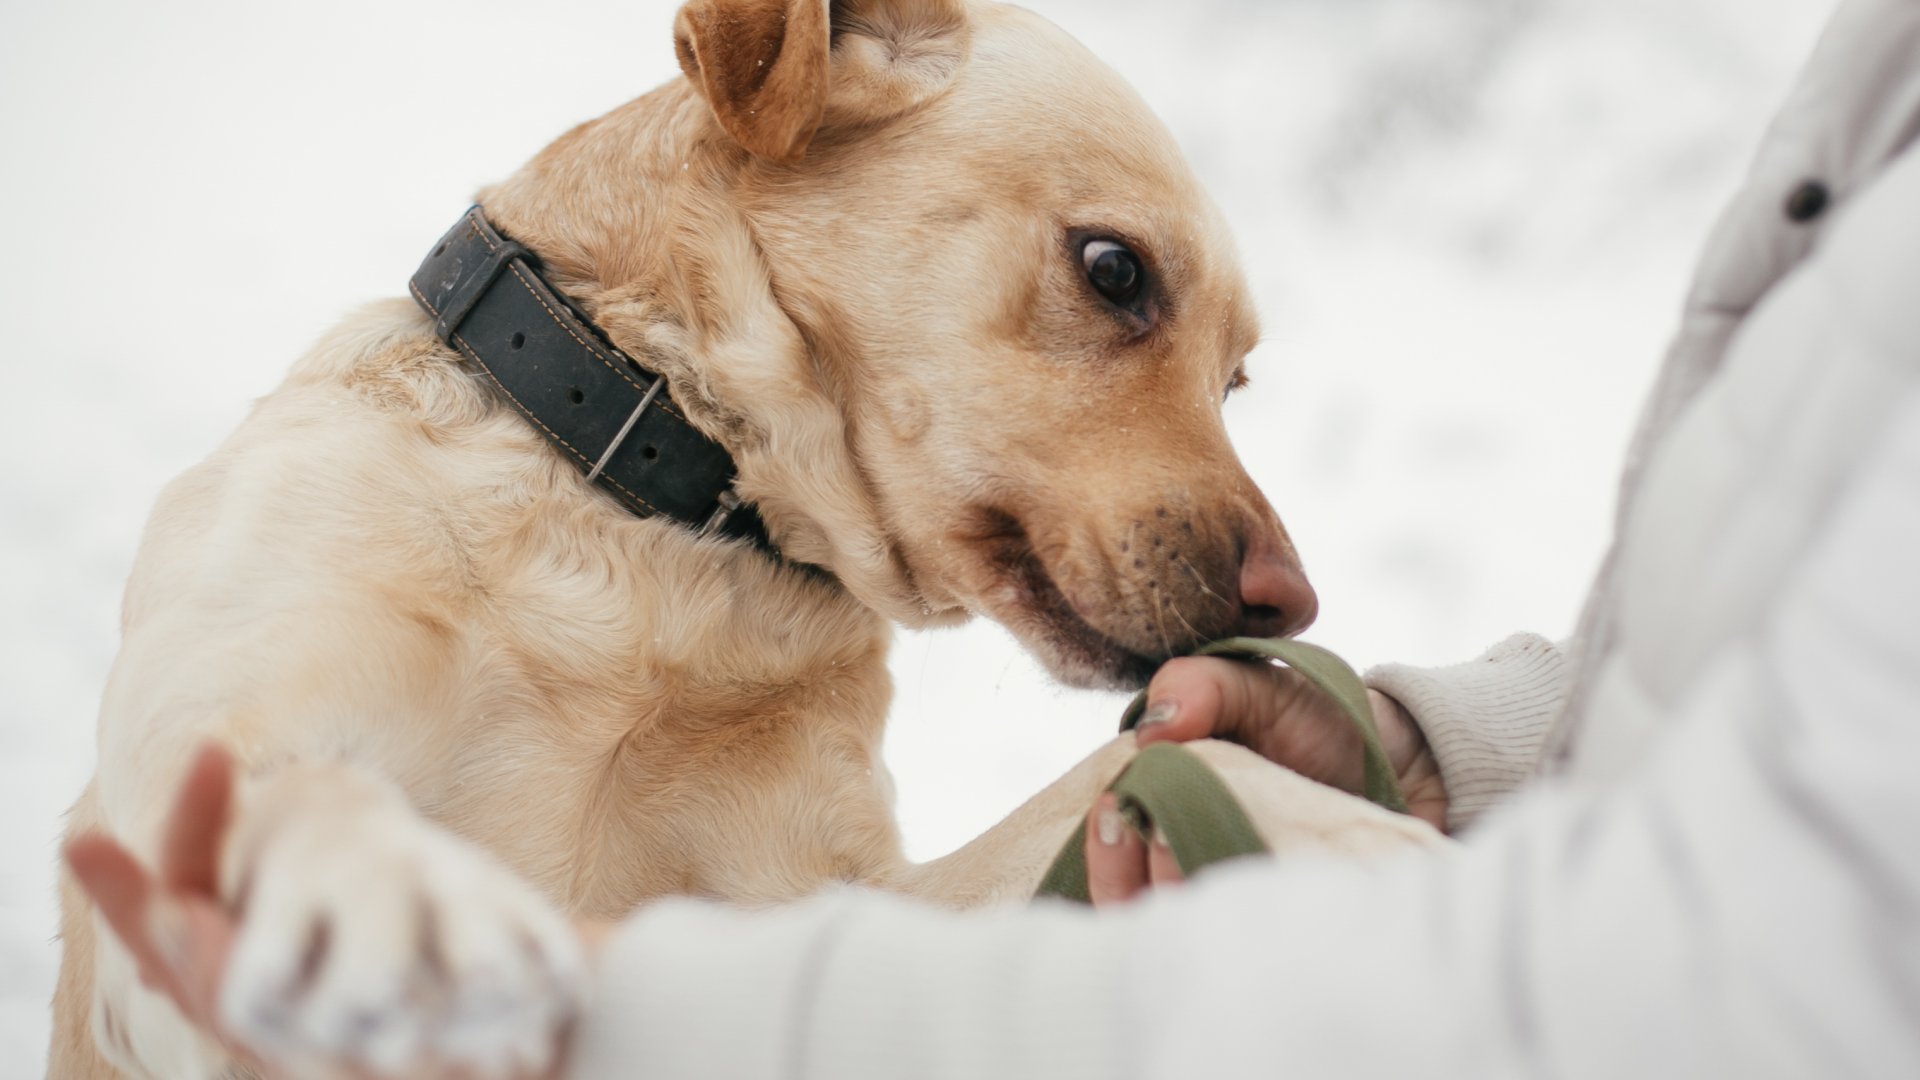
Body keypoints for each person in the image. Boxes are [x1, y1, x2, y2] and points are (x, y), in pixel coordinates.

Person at [66, 0, 1920, 1075]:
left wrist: (1333, 789)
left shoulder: (810, 639)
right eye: (1113, 285)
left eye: (1222, 385)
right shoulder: (336, 488)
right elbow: (170, 908)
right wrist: (304, 845)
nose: (1267, 566)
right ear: (810, 83)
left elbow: (844, 1018)